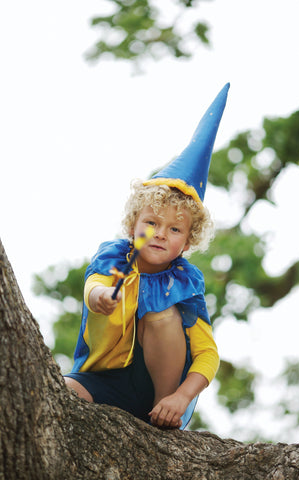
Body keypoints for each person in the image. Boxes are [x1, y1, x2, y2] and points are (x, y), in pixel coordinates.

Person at [65, 83, 230, 429]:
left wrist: (181, 397)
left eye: (174, 229)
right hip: (103, 379)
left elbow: (207, 353)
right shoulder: (115, 256)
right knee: (63, 392)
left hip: (157, 393)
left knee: (162, 314)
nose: (159, 234)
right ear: (132, 226)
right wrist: (99, 299)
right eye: (152, 222)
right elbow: (95, 286)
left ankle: (161, 417)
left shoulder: (184, 281)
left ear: (186, 243)